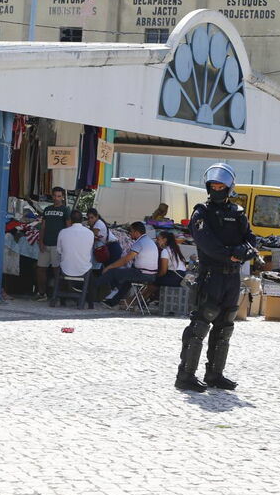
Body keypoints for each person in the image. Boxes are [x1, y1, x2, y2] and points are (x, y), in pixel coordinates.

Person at [176, 163, 257, 393]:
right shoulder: (201, 211)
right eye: (213, 185)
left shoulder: (238, 213)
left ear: (229, 187)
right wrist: (232, 254)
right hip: (211, 275)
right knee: (201, 323)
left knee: (225, 326)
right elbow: (206, 243)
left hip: (232, 279)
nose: (217, 188)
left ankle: (215, 374)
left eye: (221, 185)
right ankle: (185, 375)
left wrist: (243, 252)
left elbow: (252, 240)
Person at [97, 221, 159, 307]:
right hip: (151, 275)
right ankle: (112, 302)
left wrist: (109, 267)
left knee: (112, 272)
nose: (130, 234)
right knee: (127, 279)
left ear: (137, 232)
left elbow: (126, 260)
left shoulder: (139, 243)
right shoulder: (150, 241)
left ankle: (91, 291)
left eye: (131, 231)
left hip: (142, 274)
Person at [35, 187, 70, 301]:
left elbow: (68, 227)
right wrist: (40, 241)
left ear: (62, 197)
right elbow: (43, 226)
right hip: (45, 244)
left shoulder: (65, 210)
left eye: (59, 196)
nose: (57, 198)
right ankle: (42, 293)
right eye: (55, 196)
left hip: (57, 245)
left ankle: (57, 295)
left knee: (56, 270)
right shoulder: (47, 209)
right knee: (41, 269)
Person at [55, 209, 96, 305]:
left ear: (70, 220)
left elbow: (59, 250)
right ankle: (90, 303)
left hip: (66, 268)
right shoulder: (90, 233)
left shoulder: (63, 232)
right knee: (91, 278)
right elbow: (90, 251)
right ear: (82, 220)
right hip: (83, 269)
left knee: (62, 267)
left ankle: (62, 300)